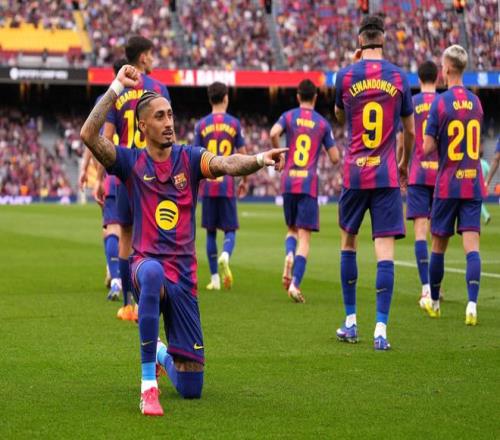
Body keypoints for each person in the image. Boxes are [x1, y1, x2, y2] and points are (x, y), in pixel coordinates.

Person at [80, 64, 287, 416]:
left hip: (184, 279)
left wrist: (259, 160)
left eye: (170, 115)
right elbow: (89, 134)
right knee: (152, 273)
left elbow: (225, 163)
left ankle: (162, 353)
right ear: (142, 126)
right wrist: (115, 87)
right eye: (159, 116)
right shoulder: (131, 162)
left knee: (192, 389)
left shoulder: (189, 158)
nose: (169, 122)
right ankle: (148, 386)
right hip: (146, 266)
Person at [334, 15, 415, 350]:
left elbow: (340, 116)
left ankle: (351, 322)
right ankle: (381, 329)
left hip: (354, 173)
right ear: (383, 38)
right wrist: (404, 163)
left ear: (359, 40)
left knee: (348, 243)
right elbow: (410, 130)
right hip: (386, 174)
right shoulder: (399, 77)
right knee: (385, 253)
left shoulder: (345, 75)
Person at [99, 36, 171, 320]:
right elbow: (167, 133)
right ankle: (151, 300)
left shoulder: (117, 91)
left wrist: (103, 178)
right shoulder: (158, 89)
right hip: (152, 171)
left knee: (125, 236)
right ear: (142, 57)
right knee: (154, 235)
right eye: (151, 54)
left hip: (124, 171)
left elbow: (106, 140)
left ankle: (128, 304)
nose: (152, 59)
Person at [423, 45, 485, 325]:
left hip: (448, 184)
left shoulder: (440, 103)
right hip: (472, 182)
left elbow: (427, 147)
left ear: (446, 69)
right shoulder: (477, 103)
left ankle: (435, 302)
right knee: (472, 248)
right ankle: (472, 305)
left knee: (438, 245)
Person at [270, 79, 339, 303]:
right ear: (316, 98)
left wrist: (280, 156)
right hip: (308, 184)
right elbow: (335, 158)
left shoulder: (289, 116)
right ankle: (295, 284)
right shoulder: (322, 123)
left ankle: (289, 253)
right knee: (305, 238)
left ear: (298, 96)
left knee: (291, 229)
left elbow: (273, 132)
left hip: (289, 181)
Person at [79, 58, 126, 304]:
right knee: (133, 227)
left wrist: (92, 171)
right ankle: (124, 273)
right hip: (139, 168)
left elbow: (97, 138)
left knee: (111, 225)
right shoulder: (144, 95)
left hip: (112, 169)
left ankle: (116, 275)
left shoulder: (106, 99)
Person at [193, 82, 247, 291]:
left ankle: (214, 279)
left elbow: (196, 156)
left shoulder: (201, 125)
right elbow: (242, 155)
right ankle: (225, 255)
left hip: (208, 185)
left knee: (210, 232)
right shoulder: (234, 123)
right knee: (230, 230)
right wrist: (244, 180)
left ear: (209, 99)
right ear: (226, 98)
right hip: (227, 185)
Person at [404, 60, 439, 307]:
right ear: (438, 78)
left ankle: (426, 289)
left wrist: (402, 164)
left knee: (420, 232)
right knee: (439, 233)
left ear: (418, 79)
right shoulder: (444, 102)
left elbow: (404, 136)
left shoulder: (412, 103)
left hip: (417, 173)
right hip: (441, 176)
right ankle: (436, 287)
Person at [480, 152, 491, 224]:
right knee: (478, 201)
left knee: (476, 201)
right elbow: (490, 172)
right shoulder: (485, 163)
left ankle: (486, 215)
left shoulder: (474, 163)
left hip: (475, 184)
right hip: (482, 184)